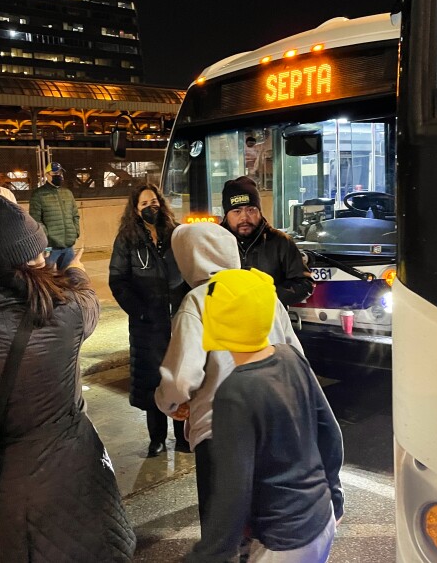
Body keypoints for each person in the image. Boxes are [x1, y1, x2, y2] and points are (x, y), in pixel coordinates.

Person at [0, 196, 136, 562]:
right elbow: (88, 298)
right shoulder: (66, 311)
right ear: (32, 257)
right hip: (79, 481)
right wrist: (75, 269)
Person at [187, 268, 344, 563]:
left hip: (281, 541)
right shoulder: (290, 356)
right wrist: (334, 495)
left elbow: (232, 491)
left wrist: (209, 554)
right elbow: (330, 432)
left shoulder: (234, 391)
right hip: (320, 519)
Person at [155, 222, 303, 530]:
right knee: (268, 521)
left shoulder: (197, 301)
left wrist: (170, 405)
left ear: (188, 258)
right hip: (276, 421)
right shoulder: (264, 292)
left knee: (223, 529)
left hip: (221, 431)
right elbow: (295, 356)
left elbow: (181, 380)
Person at [109, 184, 189, 457]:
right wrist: (138, 310)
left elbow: (190, 270)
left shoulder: (176, 233)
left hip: (178, 321)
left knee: (179, 380)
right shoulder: (127, 239)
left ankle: (182, 437)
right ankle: (157, 438)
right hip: (147, 324)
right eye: (144, 203)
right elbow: (118, 280)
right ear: (135, 209)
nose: (150, 207)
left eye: (154, 201)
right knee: (153, 382)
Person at [220, 176, 314, 306]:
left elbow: (304, 284)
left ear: (259, 211)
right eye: (237, 211)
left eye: (251, 210)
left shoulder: (280, 242)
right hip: (223, 322)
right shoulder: (214, 243)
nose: (244, 217)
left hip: (271, 323)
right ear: (226, 215)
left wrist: (266, 296)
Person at [28, 162, 80, 270]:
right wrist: (47, 237)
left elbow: (75, 215)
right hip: (51, 247)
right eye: (55, 173)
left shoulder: (67, 193)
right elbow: (35, 220)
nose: (59, 175)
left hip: (68, 245)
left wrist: (75, 231)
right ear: (47, 175)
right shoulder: (38, 194)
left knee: (68, 276)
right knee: (48, 277)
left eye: (60, 172)